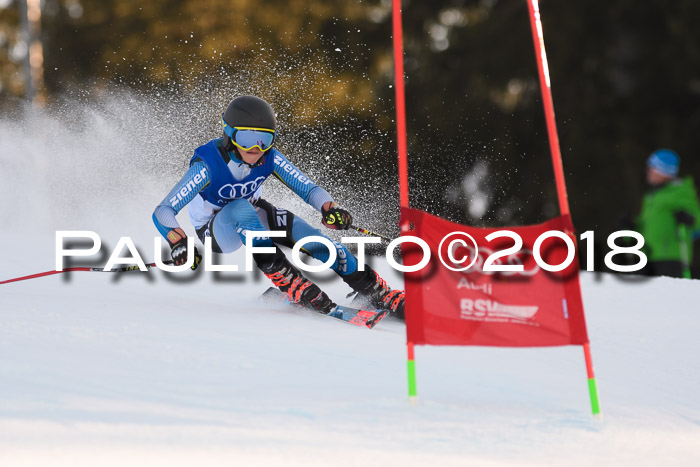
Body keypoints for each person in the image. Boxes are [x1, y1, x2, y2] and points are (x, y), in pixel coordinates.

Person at [152, 95, 405, 316]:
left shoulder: (269, 156)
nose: (255, 148)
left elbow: (307, 188)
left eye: (264, 139)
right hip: (215, 230)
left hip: (253, 212)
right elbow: (164, 211)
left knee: (317, 241)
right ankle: (290, 281)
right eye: (247, 138)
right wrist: (178, 242)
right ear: (229, 134)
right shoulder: (207, 165)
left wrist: (330, 208)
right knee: (240, 208)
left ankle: (376, 292)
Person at [636, 149, 700, 278]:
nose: (648, 172)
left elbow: (697, 224)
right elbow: (647, 227)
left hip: (671, 257)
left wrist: (689, 219)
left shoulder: (680, 192)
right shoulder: (651, 196)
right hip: (647, 256)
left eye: (652, 168)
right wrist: (631, 226)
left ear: (663, 171)